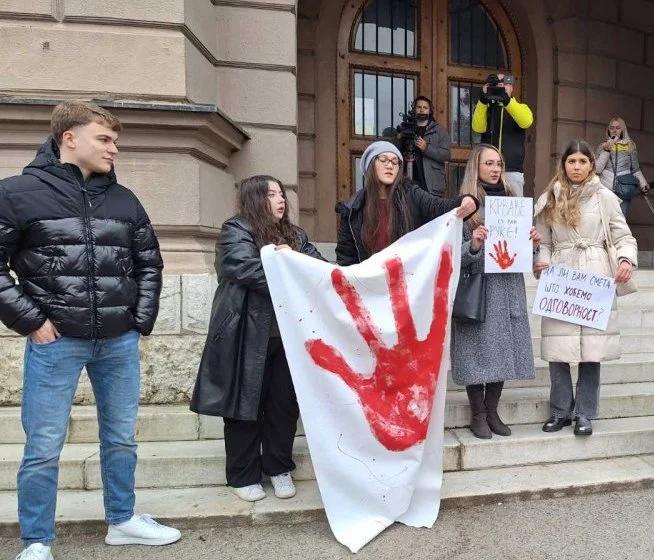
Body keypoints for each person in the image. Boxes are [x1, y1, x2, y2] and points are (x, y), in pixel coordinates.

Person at [0, 101, 181, 560]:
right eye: (104, 138)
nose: (114, 149)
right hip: (55, 342)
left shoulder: (124, 200)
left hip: (118, 341)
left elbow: (149, 264)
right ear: (69, 138)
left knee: (121, 437)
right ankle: (37, 541)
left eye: (114, 140)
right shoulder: (16, 193)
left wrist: (139, 321)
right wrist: (32, 321)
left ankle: (122, 521)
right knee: (43, 446)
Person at [190, 175, 325, 502]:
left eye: (281, 194)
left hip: (288, 336)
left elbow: (318, 267)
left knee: (284, 405)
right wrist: (281, 263)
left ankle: (279, 467)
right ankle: (242, 474)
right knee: (243, 405)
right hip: (246, 335)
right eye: (271, 194)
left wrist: (290, 257)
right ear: (254, 199)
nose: (281, 200)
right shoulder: (235, 230)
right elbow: (242, 267)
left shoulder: (295, 235)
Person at [533, 140, 638, 436]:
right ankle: (560, 410)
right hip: (560, 272)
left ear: (592, 164)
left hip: (595, 272)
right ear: (563, 164)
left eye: (582, 161)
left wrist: (627, 259)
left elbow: (623, 236)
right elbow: (544, 241)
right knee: (559, 347)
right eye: (571, 161)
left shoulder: (605, 197)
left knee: (592, 350)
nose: (576, 167)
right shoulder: (550, 198)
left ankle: (585, 412)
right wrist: (541, 262)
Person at [451, 145, 540, 439]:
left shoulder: (515, 202)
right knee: (476, 352)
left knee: (503, 350)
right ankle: (477, 414)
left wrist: (533, 242)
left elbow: (527, 254)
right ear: (476, 167)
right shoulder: (465, 207)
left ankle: (492, 410)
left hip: (508, 287)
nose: (495, 168)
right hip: (479, 289)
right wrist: (474, 243)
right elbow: (451, 255)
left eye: (499, 163)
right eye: (489, 163)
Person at [335, 140, 479, 266]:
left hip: (405, 285)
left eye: (395, 161)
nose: (390, 166)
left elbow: (437, 207)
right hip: (369, 288)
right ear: (371, 165)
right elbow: (346, 258)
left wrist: (465, 200)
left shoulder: (411, 193)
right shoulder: (352, 209)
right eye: (383, 159)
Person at [471, 73, 533, 196]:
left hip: (512, 170)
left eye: (504, 83)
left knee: (513, 213)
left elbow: (526, 122)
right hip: (487, 170)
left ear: (511, 88)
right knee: (485, 209)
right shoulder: (485, 108)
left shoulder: (521, 107)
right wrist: (483, 100)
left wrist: (507, 101)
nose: (500, 87)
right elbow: (477, 128)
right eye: (497, 84)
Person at [595, 117, 649, 216]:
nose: (615, 130)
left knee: (621, 221)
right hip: (605, 189)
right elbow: (597, 170)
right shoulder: (602, 146)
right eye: (612, 128)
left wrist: (643, 184)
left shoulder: (630, 146)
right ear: (608, 130)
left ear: (622, 130)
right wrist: (606, 151)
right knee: (605, 222)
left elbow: (635, 169)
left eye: (618, 127)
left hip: (623, 188)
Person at [398, 95, 451, 196]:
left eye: (425, 108)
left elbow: (446, 155)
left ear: (430, 111)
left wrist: (427, 148)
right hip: (409, 181)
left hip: (432, 185)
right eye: (419, 107)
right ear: (414, 110)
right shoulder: (406, 130)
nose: (422, 110)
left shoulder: (440, 131)